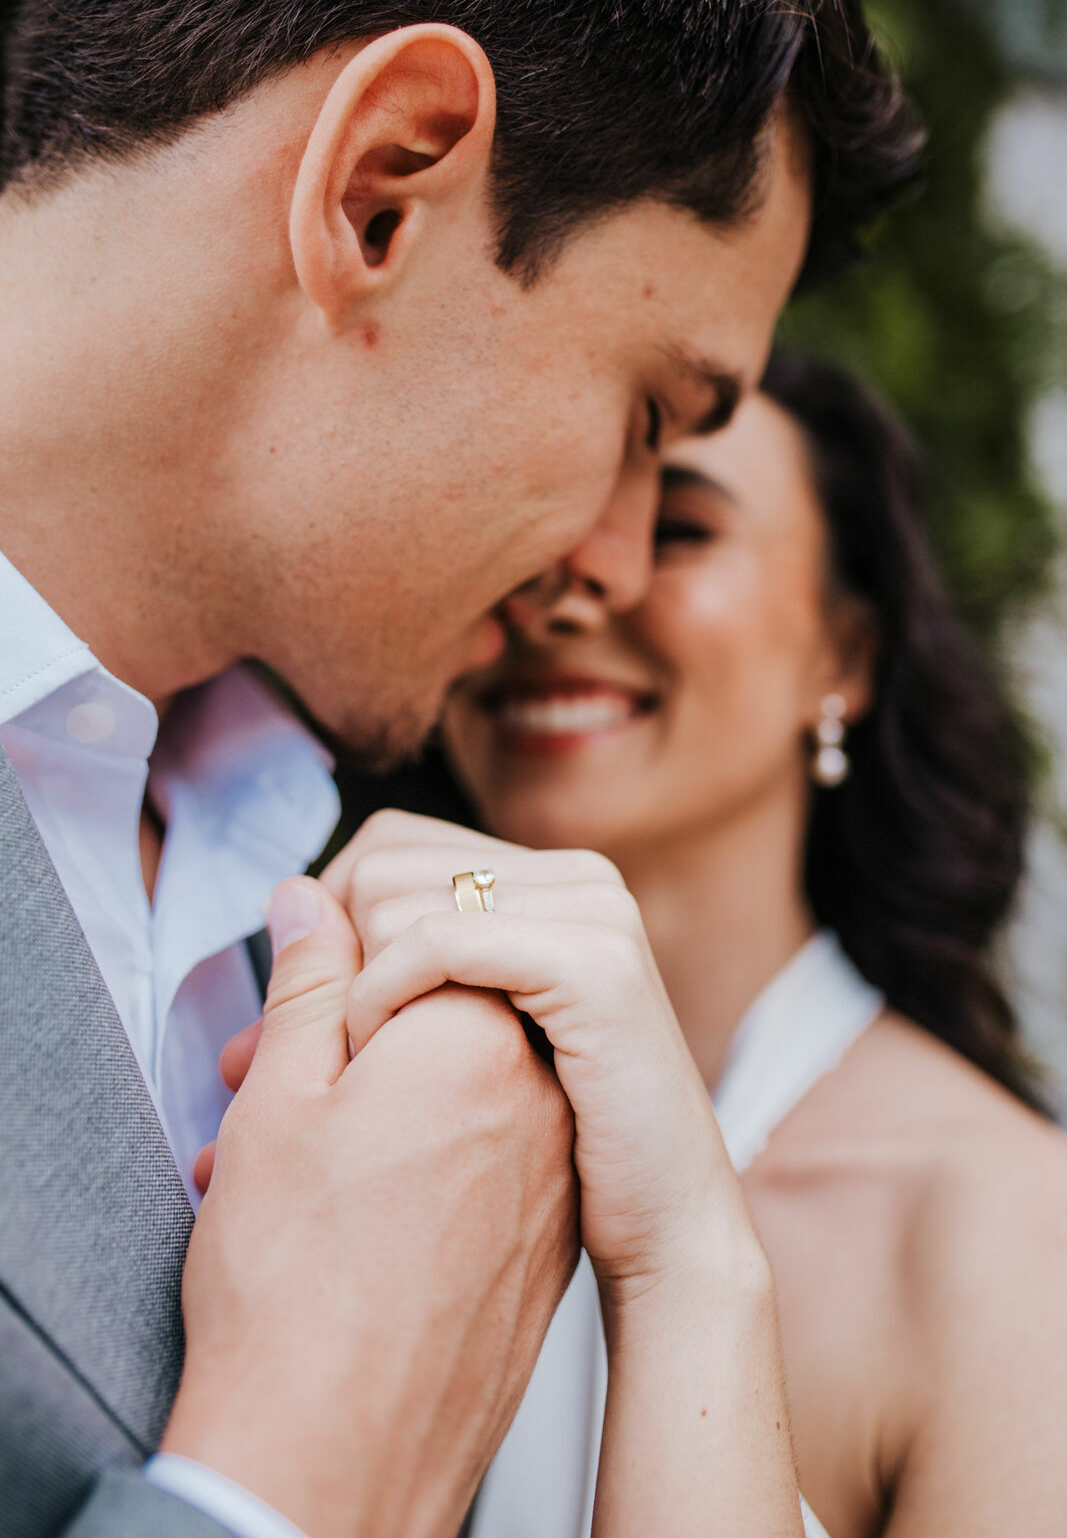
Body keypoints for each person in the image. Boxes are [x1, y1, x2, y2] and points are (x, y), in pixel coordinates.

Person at [0, 0, 922, 1536]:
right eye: (650, 413)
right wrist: (286, 1487)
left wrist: (688, 1271)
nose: (617, 565)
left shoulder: (317, 867)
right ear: (386, 187)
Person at [355, 355, 1067, 1535]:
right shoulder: (320, 1075)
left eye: (678, 529)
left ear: (842, 654)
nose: (567, 589)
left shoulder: (1006, 1235)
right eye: (533, 529)